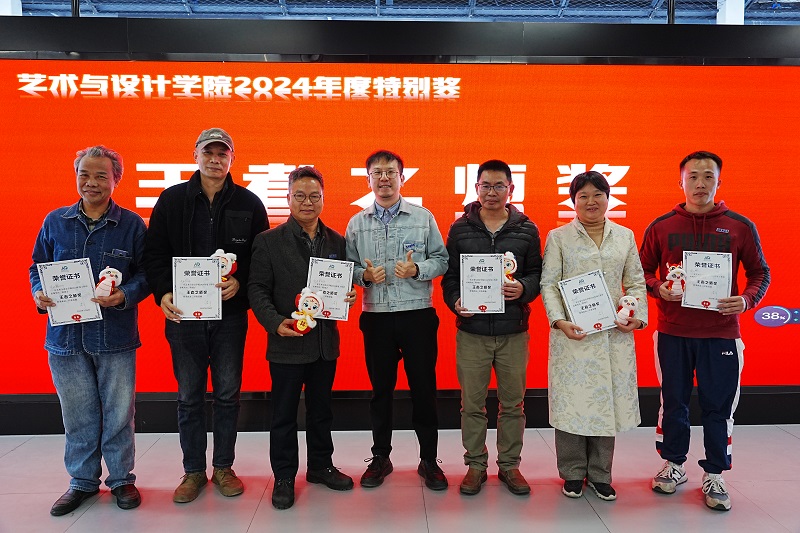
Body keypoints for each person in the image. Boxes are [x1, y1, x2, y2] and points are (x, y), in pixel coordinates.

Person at [142, 128, 268, 503]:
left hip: (230, 316)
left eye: (222, 153)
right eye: (208, 152)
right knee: (189, 397)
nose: (215, 159)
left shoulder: (249, 202)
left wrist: (240, 283)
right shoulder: (171, 200)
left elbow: (261, 257)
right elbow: (154, 254)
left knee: (227, 394)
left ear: (232, 158)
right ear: (195, 155)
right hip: (184, 315)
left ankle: (224, 467)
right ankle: (194, 471)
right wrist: (163, 293)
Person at [639, 151, 770, 511]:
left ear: (718, 182)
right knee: (673, 402)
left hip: (721, 334)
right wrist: (658, 288)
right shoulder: (661, 226)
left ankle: (715, 473)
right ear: (680, 181)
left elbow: (760, 273)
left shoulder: (740, 226)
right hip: (673, 332)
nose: (700, 183)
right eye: (693, 176)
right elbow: (641, 271)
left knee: (719, 406)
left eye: (708, 176)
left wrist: (746, 300)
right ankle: (673, 464)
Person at [30, 146, 149, 515]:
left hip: (114, 336)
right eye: (84, 174)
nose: (91, 182)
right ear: (76, 176)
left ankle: (121, 479)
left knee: (119, 413)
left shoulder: (131, 225)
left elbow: (148, 274)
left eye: (101, 175)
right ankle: (81, 481)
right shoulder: (55, 221)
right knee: (77, 414)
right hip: (65, 339)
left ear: (116, 180)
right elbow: (37, 265)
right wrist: (39, 292)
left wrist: (124, 295)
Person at [248, 166, 356, 510]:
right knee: (283, 414)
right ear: (288, 198)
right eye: (300, 196)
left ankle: (321, 466)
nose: (307, 202)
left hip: (325, 345)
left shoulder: (338, 241)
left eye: (314, 196)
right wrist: (274, 322)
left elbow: (343, 286)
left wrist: (349, 295)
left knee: (322, 411)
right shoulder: (269, 241)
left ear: (323, 199)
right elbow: (257, 289)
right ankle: (283, 475)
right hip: (287, 342)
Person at [345, 150, 450, 490]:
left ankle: (429, 460)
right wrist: (364, 276)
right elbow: (348, 269)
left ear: (402, 178)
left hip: (417, 315)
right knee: (380, 392)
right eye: (377, 173)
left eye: (391, 172)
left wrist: (418, 269)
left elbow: (442, 260)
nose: (384, 178)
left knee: (423, 390)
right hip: (376, 317)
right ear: (368, 180)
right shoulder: (357, 223)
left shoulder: (422, 217)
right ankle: (380, 457)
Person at [540, 171, 647, 502]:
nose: (591, 201)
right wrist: (559, 321)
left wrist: (636, 318)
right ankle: (572, 472)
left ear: (608, 198)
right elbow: (548, 283)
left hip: (614, 333)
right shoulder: (559, 237)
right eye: (583, 196)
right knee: (572, 404)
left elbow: (636, 281)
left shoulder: (625, 236)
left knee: (605, 404)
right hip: (573, 335)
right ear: (573, 201)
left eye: (597, 194)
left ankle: (601, 474)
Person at [441, 159, 542, 496]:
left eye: (500, 186)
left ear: (511, 189)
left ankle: (510, 465)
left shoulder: (527, 229)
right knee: (472, 405)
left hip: (514, 332)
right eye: (486, 185)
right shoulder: (460, 229)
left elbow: (537, 274)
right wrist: (455, 301)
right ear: (476, 189)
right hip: (473, 333)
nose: (492, 192)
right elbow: (450, 278)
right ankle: (475, 465)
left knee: (513, 404)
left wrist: (523, 288)